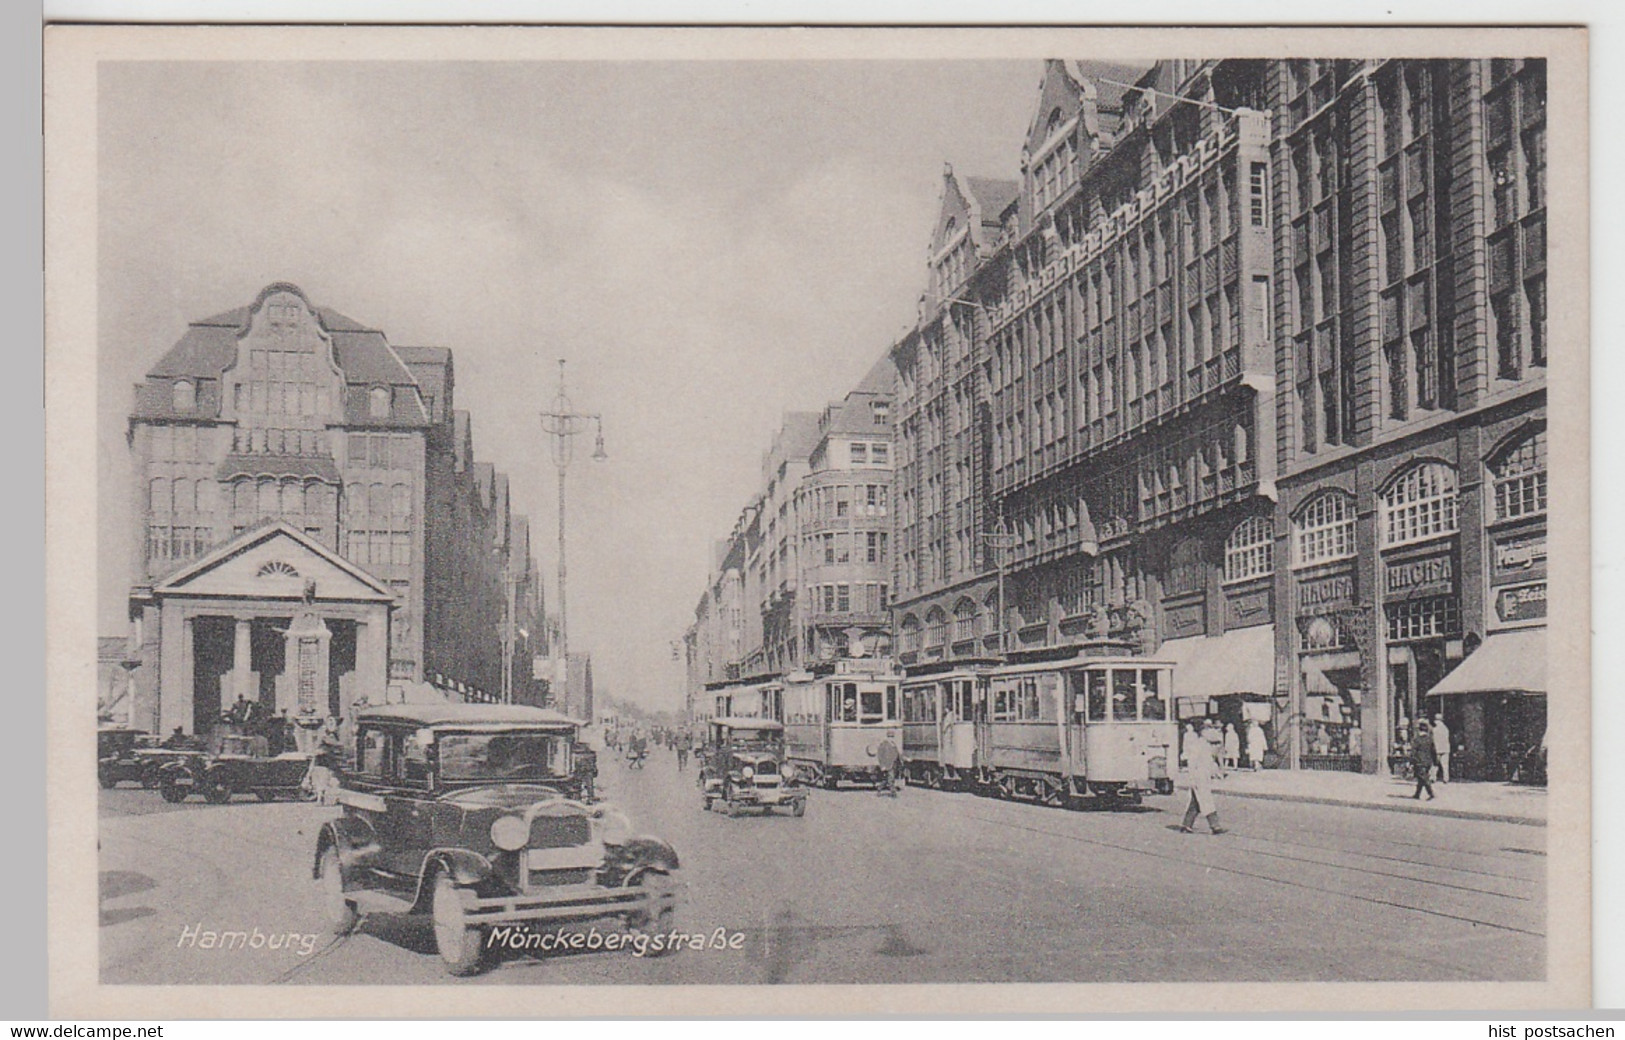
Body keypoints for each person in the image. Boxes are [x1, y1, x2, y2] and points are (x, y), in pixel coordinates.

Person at [1180, 720, 1228, 834]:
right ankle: (1215, 826)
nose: (1211, 732)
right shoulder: (1197, 745)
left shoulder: (1206, 745)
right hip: (1198, 777)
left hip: (1204, 776)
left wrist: (1216, 773)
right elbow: (1192, 762)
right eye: (1208, 730)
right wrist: (1192, 778)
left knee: (1196, 801)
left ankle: (1186, 825)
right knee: (1206, 800)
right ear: (1203, 732)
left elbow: (1209, 762)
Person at [1410, 721, 1437, 800]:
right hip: (1428, 761)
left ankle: (1431, 793)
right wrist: (1435, 761)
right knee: (1421, 778)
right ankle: (1417, 794)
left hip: (1419, 761)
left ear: (1419, 730)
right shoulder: (1430, 739)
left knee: (1424, 777)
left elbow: (1413, 752)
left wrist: (1411, 761)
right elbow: (1433, 751)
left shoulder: (1417, 740)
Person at [1430, 713, 1452, 783]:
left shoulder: (1434, 730)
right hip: (1445, 748)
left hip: (1437, 748)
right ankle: (1446, 778)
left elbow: (1432, 739)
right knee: (1445, 765)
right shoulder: (1446, 729)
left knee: (1435, 764)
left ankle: (1433, 777)